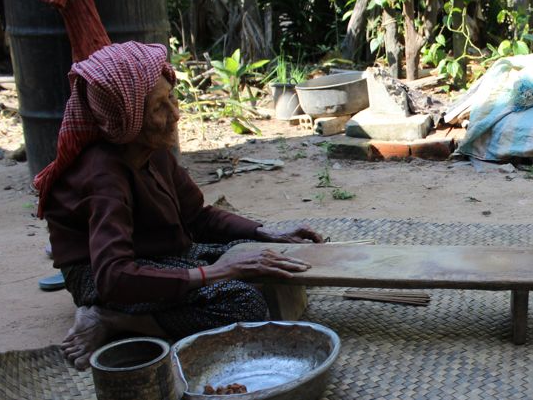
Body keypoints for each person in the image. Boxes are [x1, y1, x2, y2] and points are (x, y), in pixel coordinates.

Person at [35, 42, 324, 369]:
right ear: (125, 120)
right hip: (101, 278)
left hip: (158, 255)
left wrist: (266, 233)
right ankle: (112, 319)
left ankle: (162, 304)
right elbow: (114, 276)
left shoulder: (151, 150)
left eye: (172, 97)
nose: (175, 114)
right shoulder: (103, 175)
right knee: (244, 305)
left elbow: (197, 217)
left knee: (264, 261)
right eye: (159, 107)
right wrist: (218, 271)